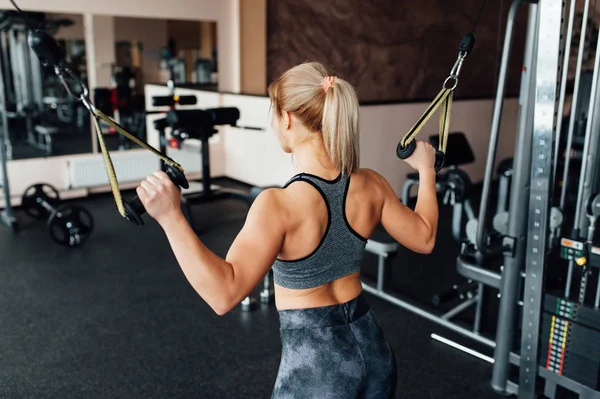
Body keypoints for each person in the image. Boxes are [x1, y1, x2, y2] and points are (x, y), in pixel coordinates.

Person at [136, 62, 438, 398]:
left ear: (288, 118)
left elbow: (223, 294)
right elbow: (424, 237)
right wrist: (426, 171)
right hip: (374, 349)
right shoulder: (371, 184)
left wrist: (170, 216)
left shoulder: (279, 205)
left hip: (319, 370)